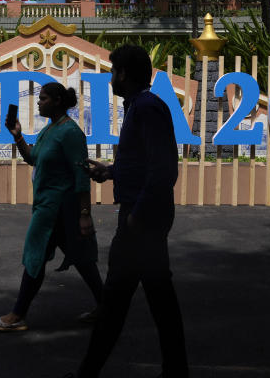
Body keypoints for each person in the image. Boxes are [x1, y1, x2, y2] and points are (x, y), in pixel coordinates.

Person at [67, 44, 189, 378]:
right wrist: (110, 171)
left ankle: (87, 374)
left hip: (142, 220)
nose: (110, 78)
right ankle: (175, 371)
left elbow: (163, 169)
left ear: (124, 73)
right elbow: (143, 164)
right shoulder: (140, 106)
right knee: (153, 299)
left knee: (118, 300)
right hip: (143, 217)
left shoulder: (146, 107)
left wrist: (137, 215)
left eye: (112, 71)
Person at [0, 82, 103, 332]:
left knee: (35, 256)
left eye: (44, 98)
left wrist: (84, 215)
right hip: (48, 206)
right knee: (82, 260)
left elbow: (81, 175)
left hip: (60, 209)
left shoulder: (71, 133)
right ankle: (108, 308)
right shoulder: (49, 129)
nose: (39, 102)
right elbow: (33, 158)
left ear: (58, 101)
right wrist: (17, 135)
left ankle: (17, 315)